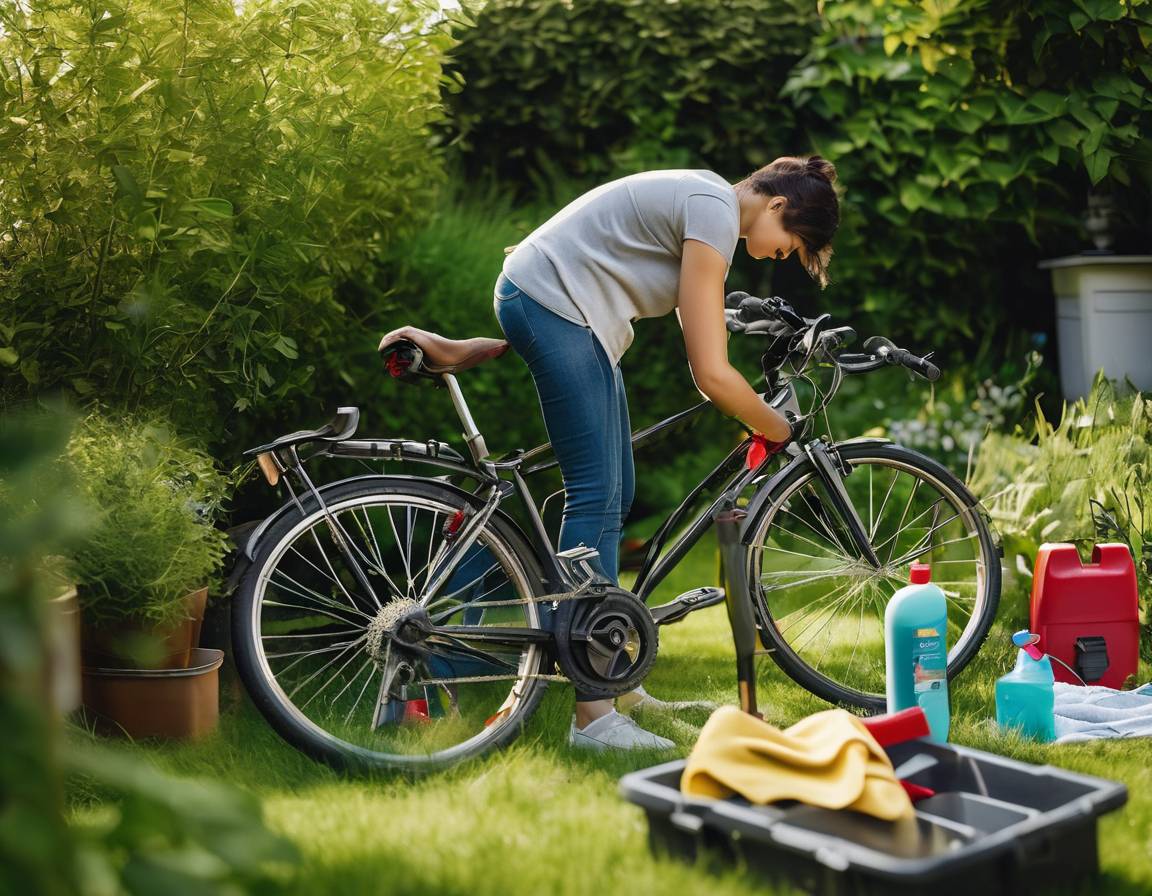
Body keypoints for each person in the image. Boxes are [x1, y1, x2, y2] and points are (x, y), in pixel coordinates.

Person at [493, 155, 840, 751]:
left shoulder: (707, 209)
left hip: (565, 308)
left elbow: (702, 321)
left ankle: (618, 680)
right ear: (777, 206)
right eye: (790, 246)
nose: (781, 258)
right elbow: (710, 372)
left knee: (614, 492)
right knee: (595, 497)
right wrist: (774, 424)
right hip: (551, 300)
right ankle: (594, 715)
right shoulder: (712, 209)